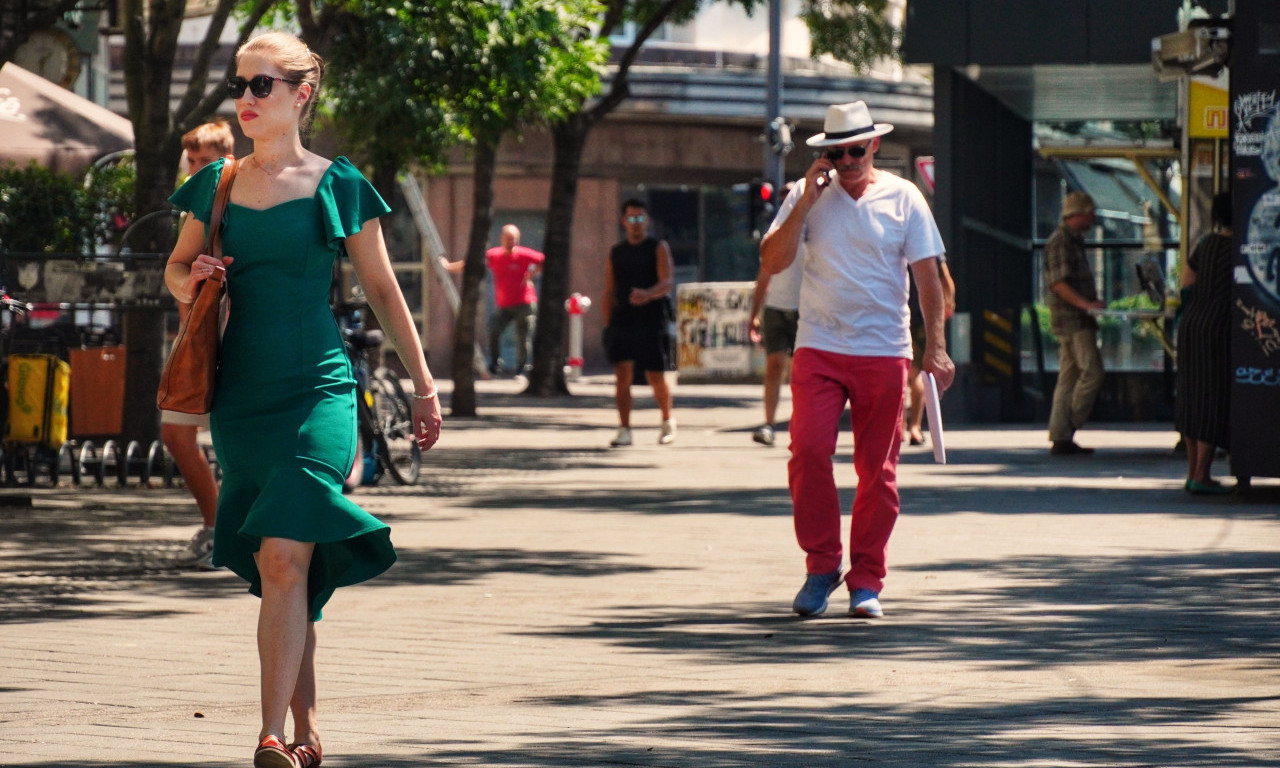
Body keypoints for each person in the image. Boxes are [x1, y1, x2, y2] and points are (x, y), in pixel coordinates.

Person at [164, 32, 442, 768]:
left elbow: (384, 289)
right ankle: (305, 732)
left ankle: (264, 736)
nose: (246, 99)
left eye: (263, 85)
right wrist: (193, 277)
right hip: (242, 395)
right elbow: (174, 271)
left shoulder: (337, 183)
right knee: (282, 566)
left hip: (319, 385)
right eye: (240, 85)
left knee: (287, 549)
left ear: (301, 93)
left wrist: (422, 384)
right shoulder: (216, 184)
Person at [760, 101, 954, 619]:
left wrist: (935, 347)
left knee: (877, 471)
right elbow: (772, 260)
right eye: (835, 151)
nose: (846, 161)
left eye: (855, 150)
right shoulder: (807, 195)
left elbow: (928, 277)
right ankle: (822, 565)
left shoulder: (905, 196)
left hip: (883, 349)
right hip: (819, 346)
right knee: (806, 453)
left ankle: (866, 581)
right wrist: (804, 201)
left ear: (874, 147)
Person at [168, 118, 234, 569]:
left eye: (204, 161)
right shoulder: (193, 203)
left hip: (223, 333)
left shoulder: (231, 195)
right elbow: (177, 271)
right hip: (193, 336)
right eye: (191, 161)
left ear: (224, 160)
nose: (195, 169)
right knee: (176, 434)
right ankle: (218, 526)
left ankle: (221, 530)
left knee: (216, 438)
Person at [602, 198, 677, 447]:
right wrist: (606, 324)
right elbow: (609, 290)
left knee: (656, 375)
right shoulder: (616, 252)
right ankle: (624, 429)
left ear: (647, 221)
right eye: (631, 219)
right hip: (623, 319)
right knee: (622, 376)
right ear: (624, 222)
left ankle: (667, 420)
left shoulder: (658, 247)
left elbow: (667, 282)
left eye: (640, 218)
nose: (636, 224)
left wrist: (648, 294)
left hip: (652, 319)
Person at [1175, 192, 1233, 494]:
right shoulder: (1241, 249)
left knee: (1191, 396)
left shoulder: (1206, 244)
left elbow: (1186, 282)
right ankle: (1202, 475)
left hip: (1192, 325)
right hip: (1219, 327)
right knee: (1211, 397)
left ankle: (1191, 472)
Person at [1044, 191, 1107, 456]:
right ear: (1077, 215)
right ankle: (1069, 423)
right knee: (1092, 372)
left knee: (1068, 377)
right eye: (1090, 212)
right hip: (1074, 320)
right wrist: (1086, 305)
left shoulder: (1070, 240)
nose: (1093, 217)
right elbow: (1058, 283)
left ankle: (1061, 436)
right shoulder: (1061, 242)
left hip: (1071, 319)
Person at [440, 224, 544, 376]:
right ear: (502, 239)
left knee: (522, 336)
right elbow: (469, 263)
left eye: (514, 240)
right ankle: (495, 363)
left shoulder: (524, 254)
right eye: (508, 239)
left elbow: (544, 260)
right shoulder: (494, 255)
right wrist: (448, 266)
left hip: (525, 303)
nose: (511, 242)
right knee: (493, 329)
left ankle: (521, 370)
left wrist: (533, 273)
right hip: (505, 305)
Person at [747, 240, 803, 447]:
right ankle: (769, 424)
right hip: (775, 309)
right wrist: (754, 315)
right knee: (774, 365)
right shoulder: (777, 235)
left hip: (806, 309)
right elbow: (763, 276)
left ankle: (801, 424)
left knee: (801, 371)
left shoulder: (816, 230)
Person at [903, 258, 956, 446]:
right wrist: (949, 305)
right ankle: (915, 427)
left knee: (900, 372)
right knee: (918, 373)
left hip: (898, 314)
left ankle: (899, 427)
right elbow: (945, 279)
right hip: (924, 317)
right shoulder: (927, 243)